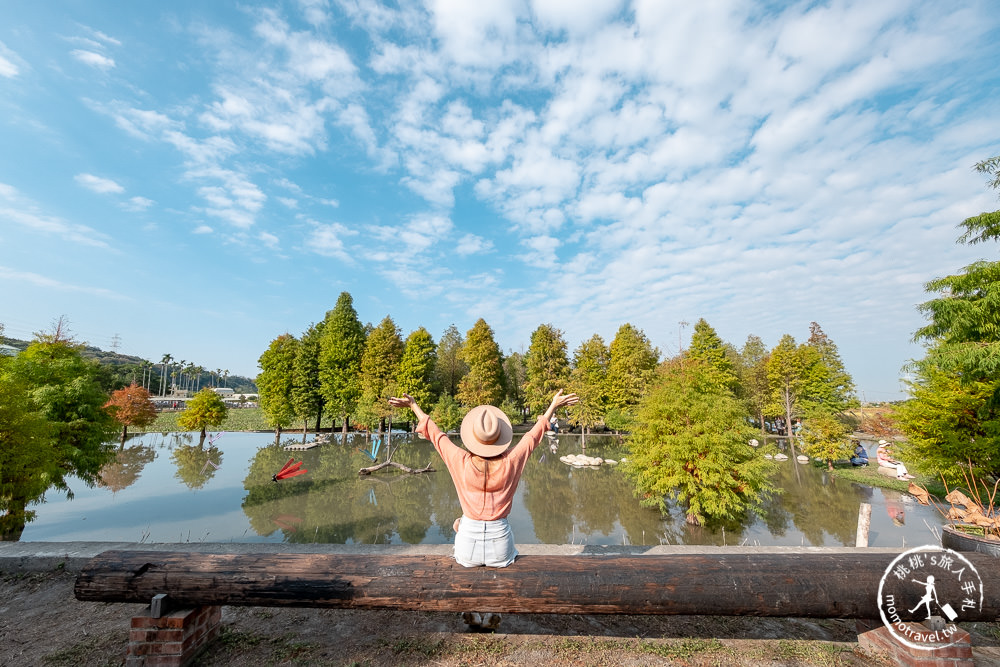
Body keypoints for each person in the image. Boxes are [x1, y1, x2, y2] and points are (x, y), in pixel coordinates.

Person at [389, 389, 578, 568]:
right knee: (463, 524)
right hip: (501, 546)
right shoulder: (511, 461)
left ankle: (463, 527)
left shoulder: (460, 460)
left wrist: (413, 405)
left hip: (467, 548)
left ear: (473, 437)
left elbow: (436, 434)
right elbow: (532, 436)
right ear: (500, 437)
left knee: (460, 523)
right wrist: (553, 405)